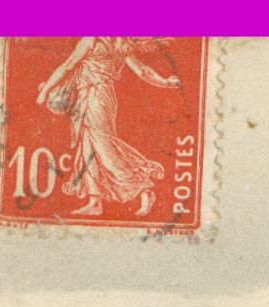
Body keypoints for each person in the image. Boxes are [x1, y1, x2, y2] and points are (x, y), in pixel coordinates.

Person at [36, 38, 181, 217]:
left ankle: (144, 189)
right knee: (88, 147)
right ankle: (95, 201)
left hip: (96, 97)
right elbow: (142, 70)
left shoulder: (93, 40)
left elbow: (69, 64)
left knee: (104, 148)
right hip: (93, 96)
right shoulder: (119, 43)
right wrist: (165, 82)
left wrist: (44, 91)